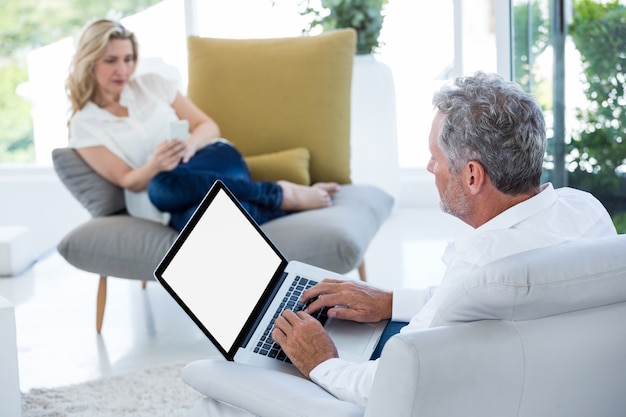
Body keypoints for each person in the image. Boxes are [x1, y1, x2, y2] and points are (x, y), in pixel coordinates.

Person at [268, 71, 618, 407]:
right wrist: (390, 302)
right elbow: (476, 301)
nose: (429, 168)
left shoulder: (485, 262)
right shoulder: (584, 210)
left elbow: (388, 384)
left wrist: (320, 361)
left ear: (471, 175)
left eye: (436, 157)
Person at [65, 19, 340, 231]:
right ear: (89, 62)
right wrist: (156, 165)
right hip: (166, 194)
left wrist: (190, 145)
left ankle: (281, 193)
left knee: (167, 187)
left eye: (128, 59)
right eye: (111, 61)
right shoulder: (84, 125)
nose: (123, 70)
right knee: (184, 208)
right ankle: (286, 199)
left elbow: (207, 126)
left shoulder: (153, 84)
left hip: (212, 159)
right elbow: (128, 180)